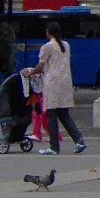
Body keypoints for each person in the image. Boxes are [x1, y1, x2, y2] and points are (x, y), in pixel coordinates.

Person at [20, 21, 87, 155]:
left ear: (48, 32)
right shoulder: (66, 45)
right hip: (65, 83)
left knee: (51, 114)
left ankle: (54, 147)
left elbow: (40, 66)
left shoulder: (47, 46)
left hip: (52, 83)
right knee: (63, 113)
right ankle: (79, 140)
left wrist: (30, 73)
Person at [24, 70, 46, 142]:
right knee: (42, 117)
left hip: (43, 99)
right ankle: (55, 135)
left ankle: (37, 134)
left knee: (40, 117)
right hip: (43, 99)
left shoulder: (39, 80)